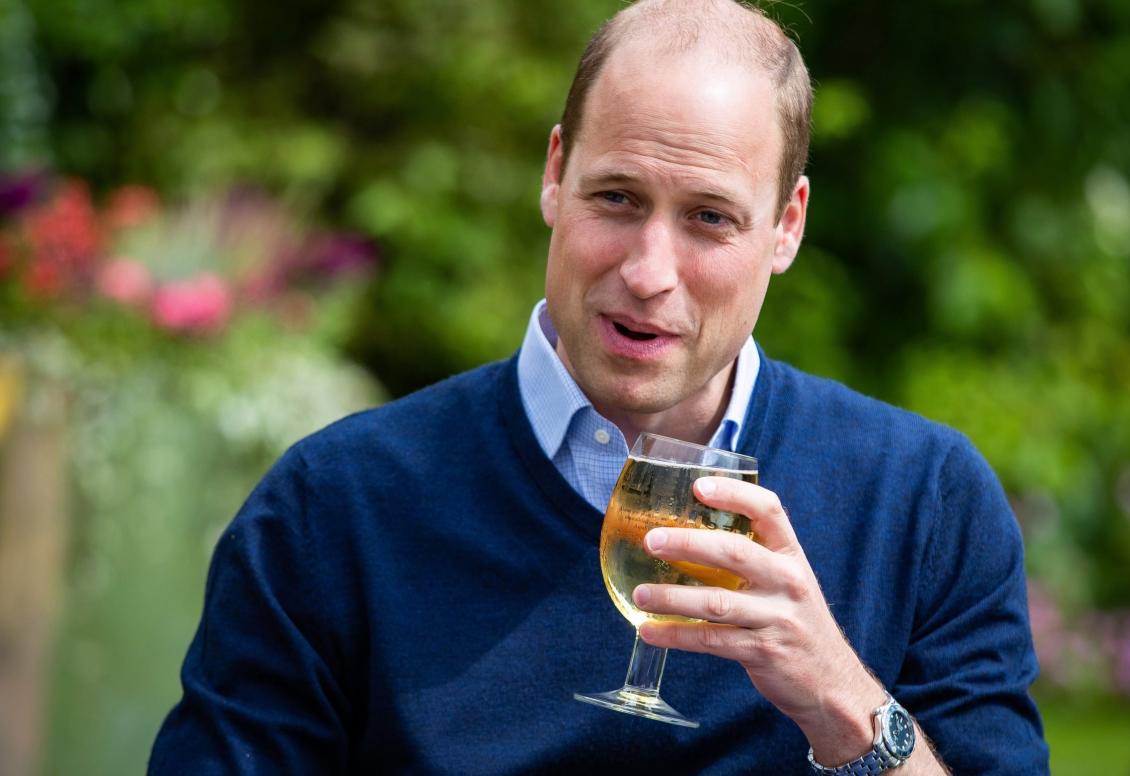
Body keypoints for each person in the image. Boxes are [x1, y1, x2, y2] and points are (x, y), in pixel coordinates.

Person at [150, 1, 1049, 773]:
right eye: (617, 198)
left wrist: (841, 701)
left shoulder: (925, 503)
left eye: (709, 218)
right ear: (554, 175)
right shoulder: (333, 511)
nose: (650, 271)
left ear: (786, 227)